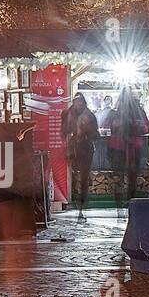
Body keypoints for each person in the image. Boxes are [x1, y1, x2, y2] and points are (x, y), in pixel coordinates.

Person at [108, 86, 149, 207]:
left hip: (132, 148)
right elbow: (111, 127)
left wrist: (134, 127)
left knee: (131, 176)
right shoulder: (116, 113)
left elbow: (146, 127)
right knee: (120, 176)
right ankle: (121, 202)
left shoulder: (138, 112)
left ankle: (130, 201)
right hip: (119, 148)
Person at [62, 94, 99, 222]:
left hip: (86, 148)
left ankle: (82, 203)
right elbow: (63, 131)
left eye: (80, 102)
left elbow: (96, 134)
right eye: (76, 102)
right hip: (73, 149)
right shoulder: (68, 114)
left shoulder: (90, 116)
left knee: (83, 177)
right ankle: (73, 199)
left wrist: (86, 132)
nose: (78, 104)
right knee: (71, 175)